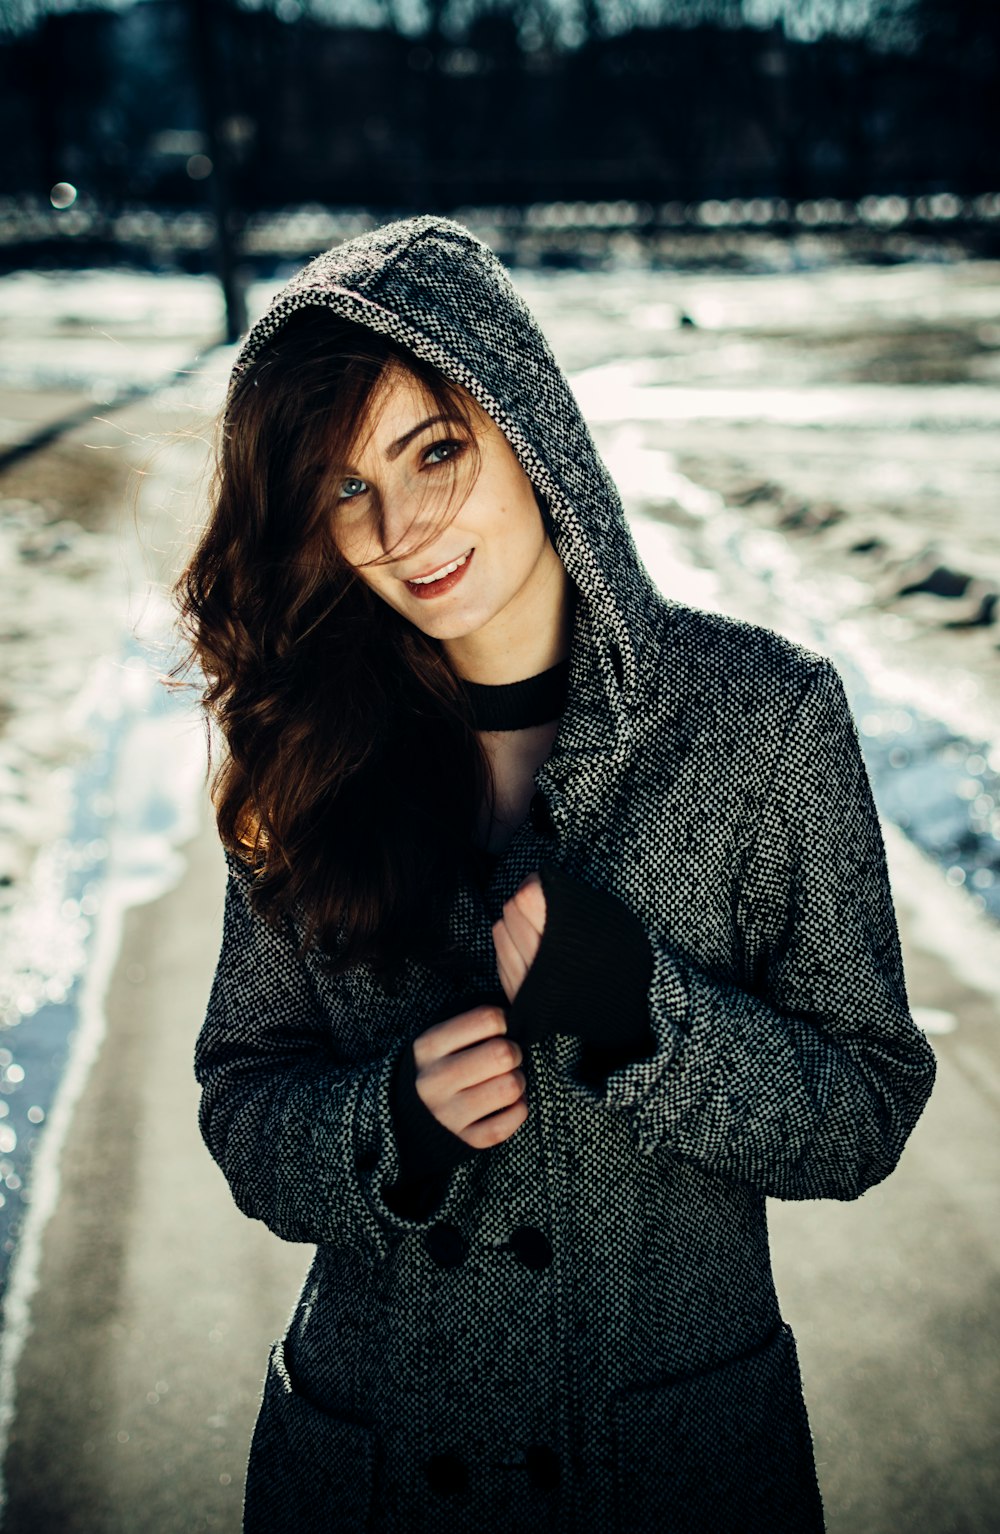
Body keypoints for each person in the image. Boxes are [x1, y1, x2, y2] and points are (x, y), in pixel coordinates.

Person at [175, 213, 937, 1534]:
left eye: (433, 449)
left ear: (527, 421)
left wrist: (654, 1019)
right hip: (373, 1469)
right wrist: (383, 1127)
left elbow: (865, 1106)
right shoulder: (313, 737)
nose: (404, 527)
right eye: (349, 487)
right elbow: (244, 1097)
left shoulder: (763, 716)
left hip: (670, 1470)